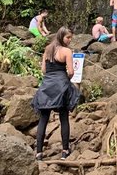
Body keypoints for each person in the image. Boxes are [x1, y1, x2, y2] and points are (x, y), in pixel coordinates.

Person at [31, 27, 81, 161]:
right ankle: (65, 150)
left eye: (71, 38)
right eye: (68, 37)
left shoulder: (48, 49)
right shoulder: (66, 51)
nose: (70, 40)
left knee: (44, 118)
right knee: (64, 117)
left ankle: (39, 153)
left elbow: (43, 70)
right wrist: (65, 81)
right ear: (61, 36)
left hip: (47, 86)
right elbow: (71, 72)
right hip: (61, 85)